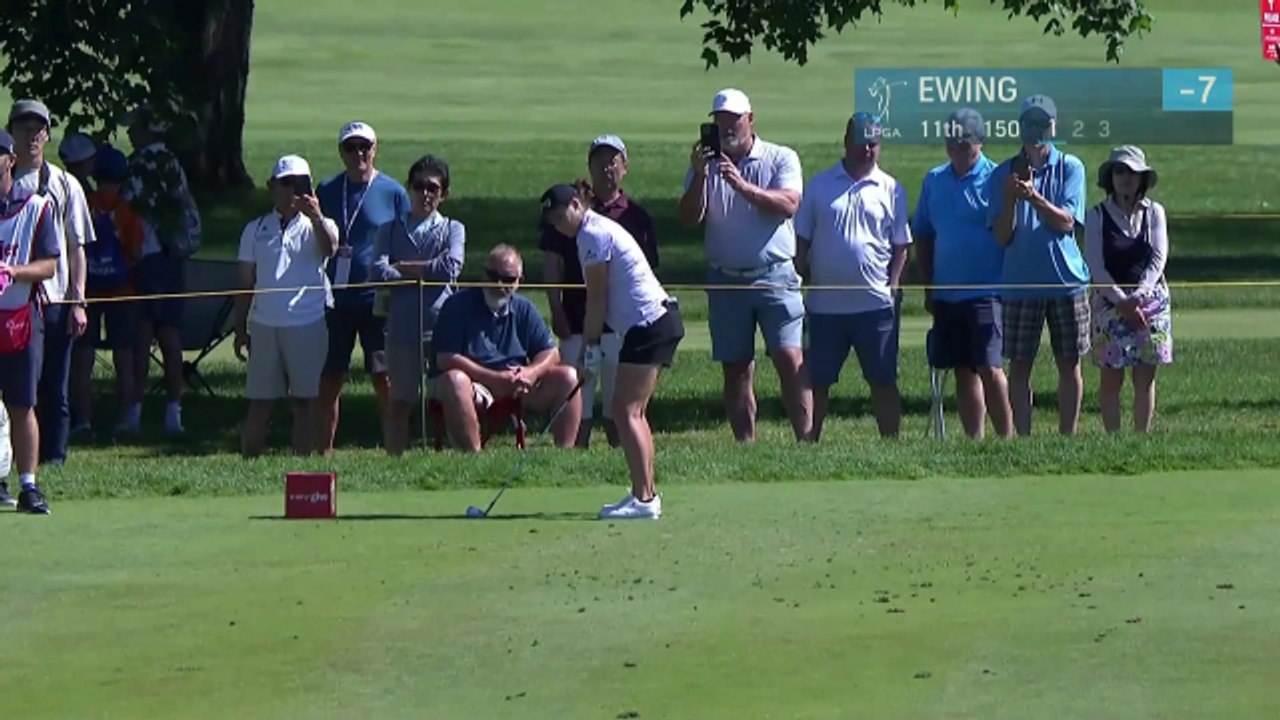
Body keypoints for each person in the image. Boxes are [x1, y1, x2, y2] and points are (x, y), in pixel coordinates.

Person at [542, 183, 683, 520]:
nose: (558, 225)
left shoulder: (592, 234)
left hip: (649, 324)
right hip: (654, 323)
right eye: (552, 221)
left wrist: (589, 348)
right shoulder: (590, 232)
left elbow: (597, 299)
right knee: (632, 412)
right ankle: (644, 494)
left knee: (625, 411)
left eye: (561, 216)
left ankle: (645, 500)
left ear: (577, 204)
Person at [678, 88, 811, 443]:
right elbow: (689, 218)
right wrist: (701, 176)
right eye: (719, 120)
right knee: (736, 368)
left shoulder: (780, 157)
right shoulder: (703, 166)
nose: (726, 127)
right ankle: (745, 445)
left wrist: (741, 185)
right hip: (725, 279)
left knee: (790, 358)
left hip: (775, 276)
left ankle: (807, 440)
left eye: (733, 119)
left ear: (750, 119)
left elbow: (788, 205)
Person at [795, 113, 911, 440]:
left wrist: (894, 286)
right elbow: (802, 239)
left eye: (874, 144)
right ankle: (809, 442)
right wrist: (801, 269)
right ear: (847, 143)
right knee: (818, 380)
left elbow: (901, 245)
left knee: (883, 379)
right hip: (825, 306)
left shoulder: (891, 188)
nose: (868, 150)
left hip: (875, 304)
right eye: (861, 143)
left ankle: (891, 442)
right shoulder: (819, 186)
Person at [541, 135, 658, 448]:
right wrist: (557, 309)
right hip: (578, 318)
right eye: (599, 161)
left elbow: (636, 278)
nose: (606, 167)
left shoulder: (630, 217)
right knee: (579, 399)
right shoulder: (568, 215)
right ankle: (574, 458)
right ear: (589, 166)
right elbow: (553, 264)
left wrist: (593, 342)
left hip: (620, 323)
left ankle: (621, 463)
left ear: (624, 166)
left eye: (613, 160)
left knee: (620, 406)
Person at [988, 94, 1090, 437]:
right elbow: (1002, 237)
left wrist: (1034, 197)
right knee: (1019, 365)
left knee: (1069, 362)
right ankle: (1025, 438)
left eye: (1042, 123)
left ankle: (1067, 436)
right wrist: (1012, 199)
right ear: (1020, 127)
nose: (1036, 131)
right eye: (1030, 123)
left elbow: (1065, 223)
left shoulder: (1070, 167)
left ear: (1054, 126)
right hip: (1020, 282)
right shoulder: (1002, 173)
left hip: (1065, 281)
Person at [911, 108, 1014, 440]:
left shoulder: (997, 178)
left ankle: (1007, 440)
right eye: (951, 140)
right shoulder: (934, 180)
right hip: (947, 292)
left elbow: (1008, 233)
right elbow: (924, 235)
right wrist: (930, 286)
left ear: (980, 142)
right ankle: (975, 441)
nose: (956, 146)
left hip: (987, 291)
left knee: (989, 367)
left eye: (964, 140)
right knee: (962, 370)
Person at [7, 100, 94, 466]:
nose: (32, 135)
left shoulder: (64, 184)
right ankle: (12, 461)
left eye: (38, 129)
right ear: (11, 134)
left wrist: (78, 301)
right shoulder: (4, 183)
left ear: (47, 134)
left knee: (54, 387)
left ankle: (54, 460)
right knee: (18, 390)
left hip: (55, 300)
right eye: (24, 128)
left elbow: (77, 246)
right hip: (13, 303)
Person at [233, 155, 337, 457]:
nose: (293, 191)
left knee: (305, 401)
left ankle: (301, 466)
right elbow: (244, 282)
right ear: (272, 187)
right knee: (260, 401)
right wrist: (239, 327)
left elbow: (329, 248)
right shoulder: (254, 229)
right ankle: (250, 461)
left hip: (307, 323)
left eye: (301, 184)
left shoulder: (321, 225)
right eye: (286, 183)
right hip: (265, 324)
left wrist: (316, 216)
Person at [428, 245, 580, 452]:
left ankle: (565, 456)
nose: (499, 284)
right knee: (455, 380)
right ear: (483, 275)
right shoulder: (456, 305)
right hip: (472, 382)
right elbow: (445, 359)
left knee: (568, 376)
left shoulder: (524, 308)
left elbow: (551, 353)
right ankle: (472, 459)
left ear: (520, 281)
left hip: (515, 381)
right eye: (493, 276)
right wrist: (493, 378)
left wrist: (530, 372)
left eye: (508, 279)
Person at [315, 122, 410, 454]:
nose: (358, 154)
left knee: (383, 377)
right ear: (341, 152)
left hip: (377, 297)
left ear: (375, 148)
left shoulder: (393, 192)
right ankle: (321, 454)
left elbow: (405, 240)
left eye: (364, 147)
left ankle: (394, 451)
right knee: (330, 378)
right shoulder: (327, 189)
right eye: (350, 148)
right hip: (336, 297)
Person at [373, 154, 465, 456]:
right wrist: (427, 269)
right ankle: (395, 461)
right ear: (408, 188)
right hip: (400, 328)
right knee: (400, 400)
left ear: (444, 193)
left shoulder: (453, 228)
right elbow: (378, 272)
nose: (425, 194)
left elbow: (451, 268)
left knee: (450, 397)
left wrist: (404, 266)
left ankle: (455, 457)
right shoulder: (388, 230)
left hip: (442, 328)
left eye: (433, 188)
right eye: (418, 186)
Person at [120, 103, 201, 436]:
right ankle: (172, 412)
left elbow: (129, 210)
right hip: (171, 259)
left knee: (145, 334)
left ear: (145, 130)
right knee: (170, 335)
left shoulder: (139, 165)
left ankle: (136, 413)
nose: (129, 133)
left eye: (133, 127)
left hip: (148, 259)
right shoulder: (173, 163)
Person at [1084, 146, 1172, 433]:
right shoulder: (1096, 216)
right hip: (1110, 304)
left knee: (1145, 376)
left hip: (1150, 304)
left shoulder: (1154, 212)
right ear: (1111, 176)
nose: (1126, 177)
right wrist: (1122, 302)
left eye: (1133, 172)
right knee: (1112, 378)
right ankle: (1113, 439)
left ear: (1142, 178)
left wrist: (1139, 296)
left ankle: (1141, 437)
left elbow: (1158, 258)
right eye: (1120, 171)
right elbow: (1096, 267)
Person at [0, 129, 59, 513]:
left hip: (21, 317)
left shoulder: (37, 206)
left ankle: (29, 486)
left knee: (22, 404)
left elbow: (50, 263)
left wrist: (14, 270)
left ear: (10, 160)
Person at [69, 147, 144, 434]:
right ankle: (125, 418)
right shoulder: (127, 211)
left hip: (87, 292)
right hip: (123, 292)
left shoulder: (85, 204)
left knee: (83, 359)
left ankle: (84, 419)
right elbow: (136, 251)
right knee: (124, 357)